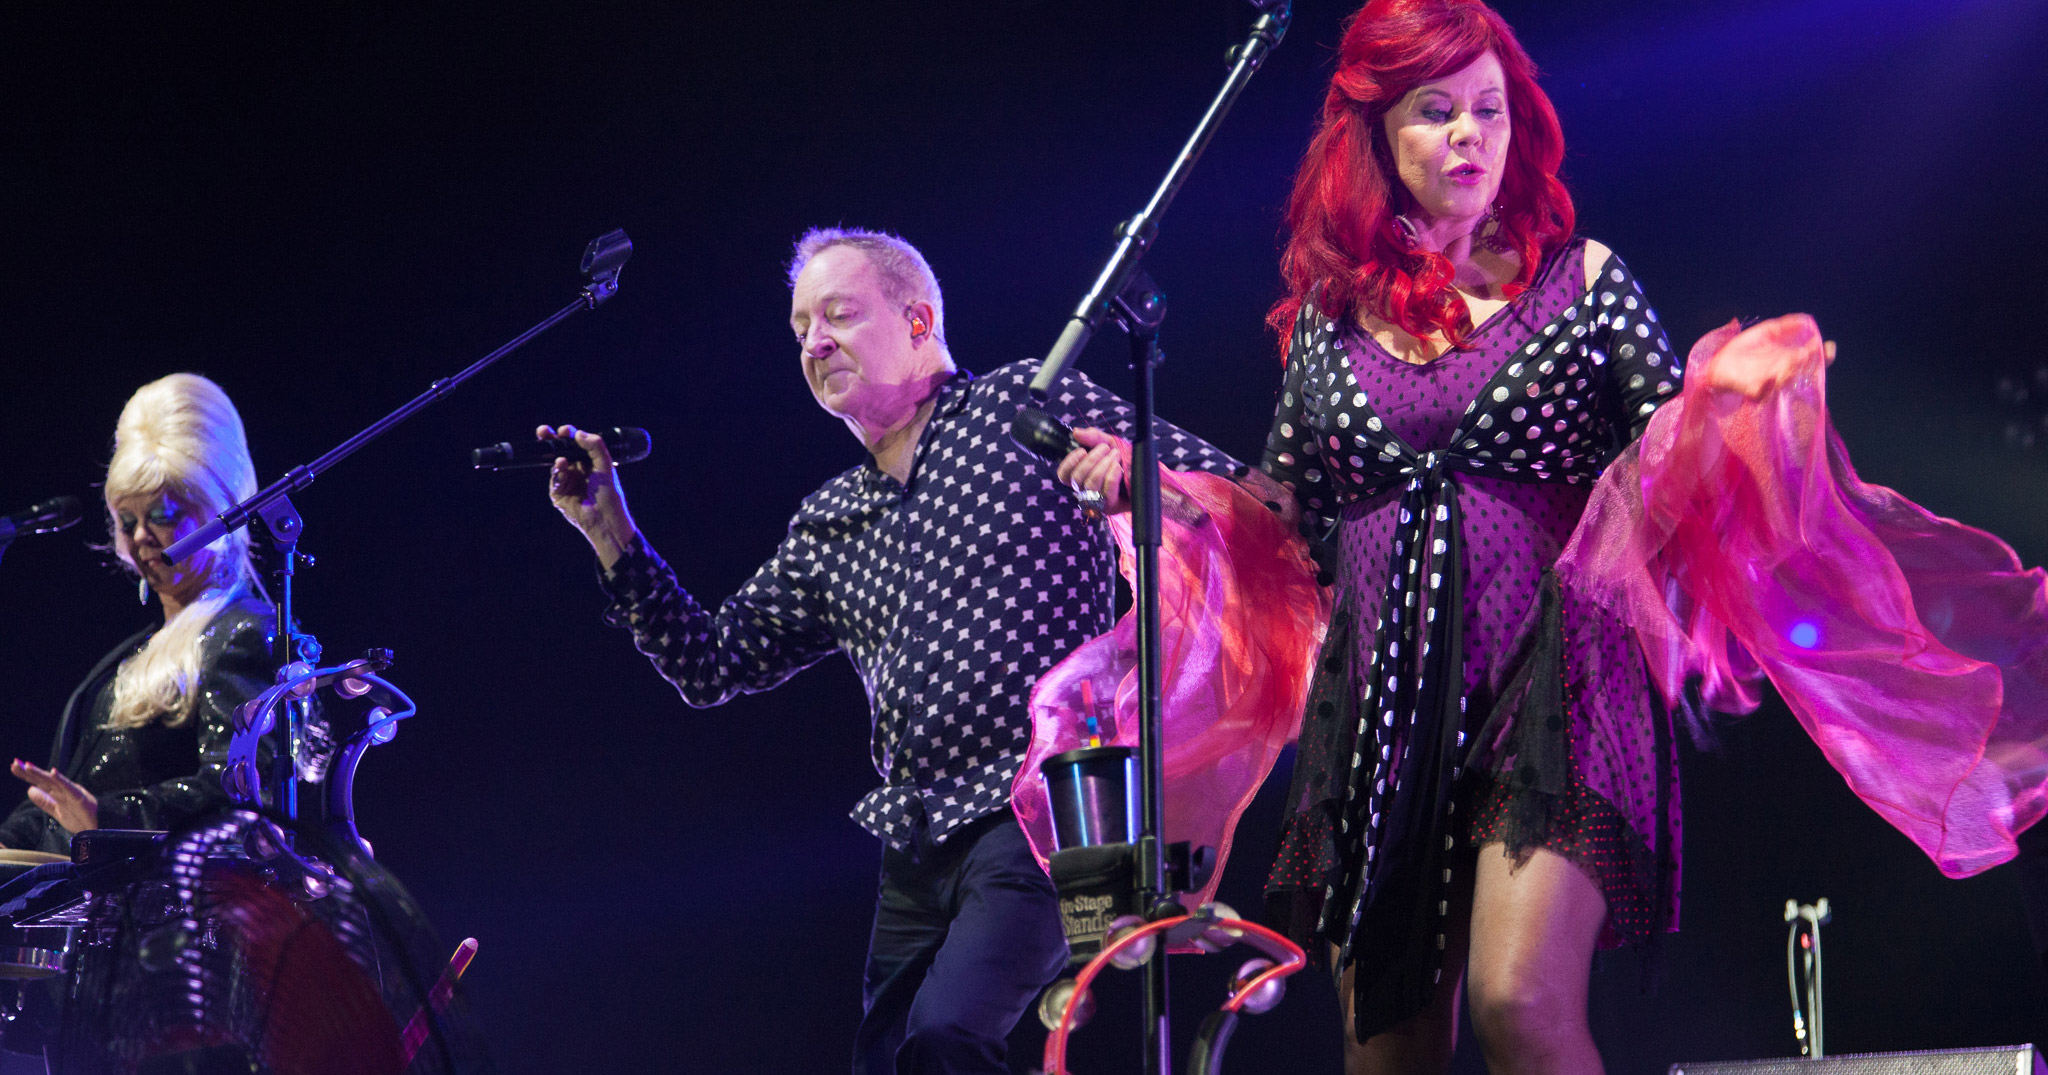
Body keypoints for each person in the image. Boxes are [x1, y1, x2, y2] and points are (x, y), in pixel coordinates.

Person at [1245, 2, 2048, 1073]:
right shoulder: (1322, 325)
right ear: (1375, 137)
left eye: (1486, 109)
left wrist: (1729, 406)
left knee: (1516, 1004)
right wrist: (1152, 491)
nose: (1468, 135)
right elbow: (1277, 515)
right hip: (1385, 712)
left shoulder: (1578, 283)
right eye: (1435, 113)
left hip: (1556, 688)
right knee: (1384, 1046)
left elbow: (1670, 462)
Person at [540, 227, 1243, 1075]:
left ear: (917, 320)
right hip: (917, 836)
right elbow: (711, 663)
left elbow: (1223, 495)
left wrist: (1137, 486)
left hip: (1051, 807)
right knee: (888, 1061)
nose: (815, 342)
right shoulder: (830, 520)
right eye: (800, 328)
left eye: (837, 314)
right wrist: (609, 527)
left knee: (944, 1037)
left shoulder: (1024, 403)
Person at [0, 373, 277, 856]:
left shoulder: (241, 633)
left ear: (217, 510)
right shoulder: (127, 658)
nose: (142, 536)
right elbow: (62, 802)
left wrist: (109, 818)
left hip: (175, 922)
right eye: (128, 521)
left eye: (165, 515)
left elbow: (245, 793)